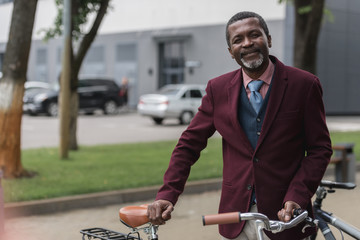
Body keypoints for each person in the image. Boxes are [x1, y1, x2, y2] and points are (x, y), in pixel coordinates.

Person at [147, 11, 332, 240]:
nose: (247, 43)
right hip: (236, 219)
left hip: (287, 219)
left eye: (255, 35)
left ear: (269, 39)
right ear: (230, 51)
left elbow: (320, 149)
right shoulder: (217, 89)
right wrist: (168, 193)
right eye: (238, 39)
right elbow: (188, 145)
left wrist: (298, 194)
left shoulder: (304, 85)